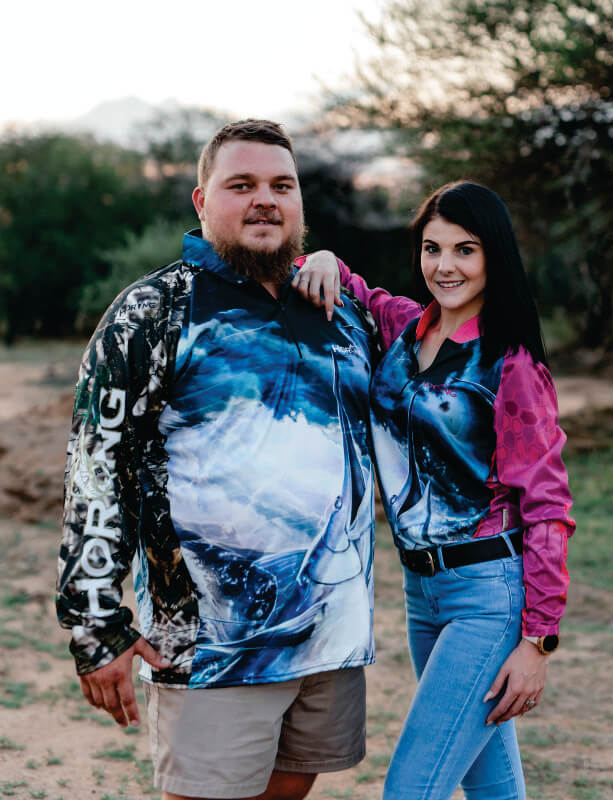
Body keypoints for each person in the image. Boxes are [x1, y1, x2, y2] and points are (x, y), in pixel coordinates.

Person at [56, 119, 379, 800]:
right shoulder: (154, 311)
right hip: (211, 644)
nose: (265, 199)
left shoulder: (343, 314)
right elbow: (97, 469)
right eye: (242, 185)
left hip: (330, 634)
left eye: (281, 186)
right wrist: (95, 623)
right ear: (202, 201)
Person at [293, 180, 575, 800]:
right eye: (432, 248)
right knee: (491, 784)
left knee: (411, 790)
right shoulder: (403, 329)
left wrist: (538, 641)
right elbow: (352, 287)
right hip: (421, 591)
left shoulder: (511, 364)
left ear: (493, 255)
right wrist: (322, 258)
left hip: (487, 597)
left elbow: (548, 506)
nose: (445, 266)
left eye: (465, 250)